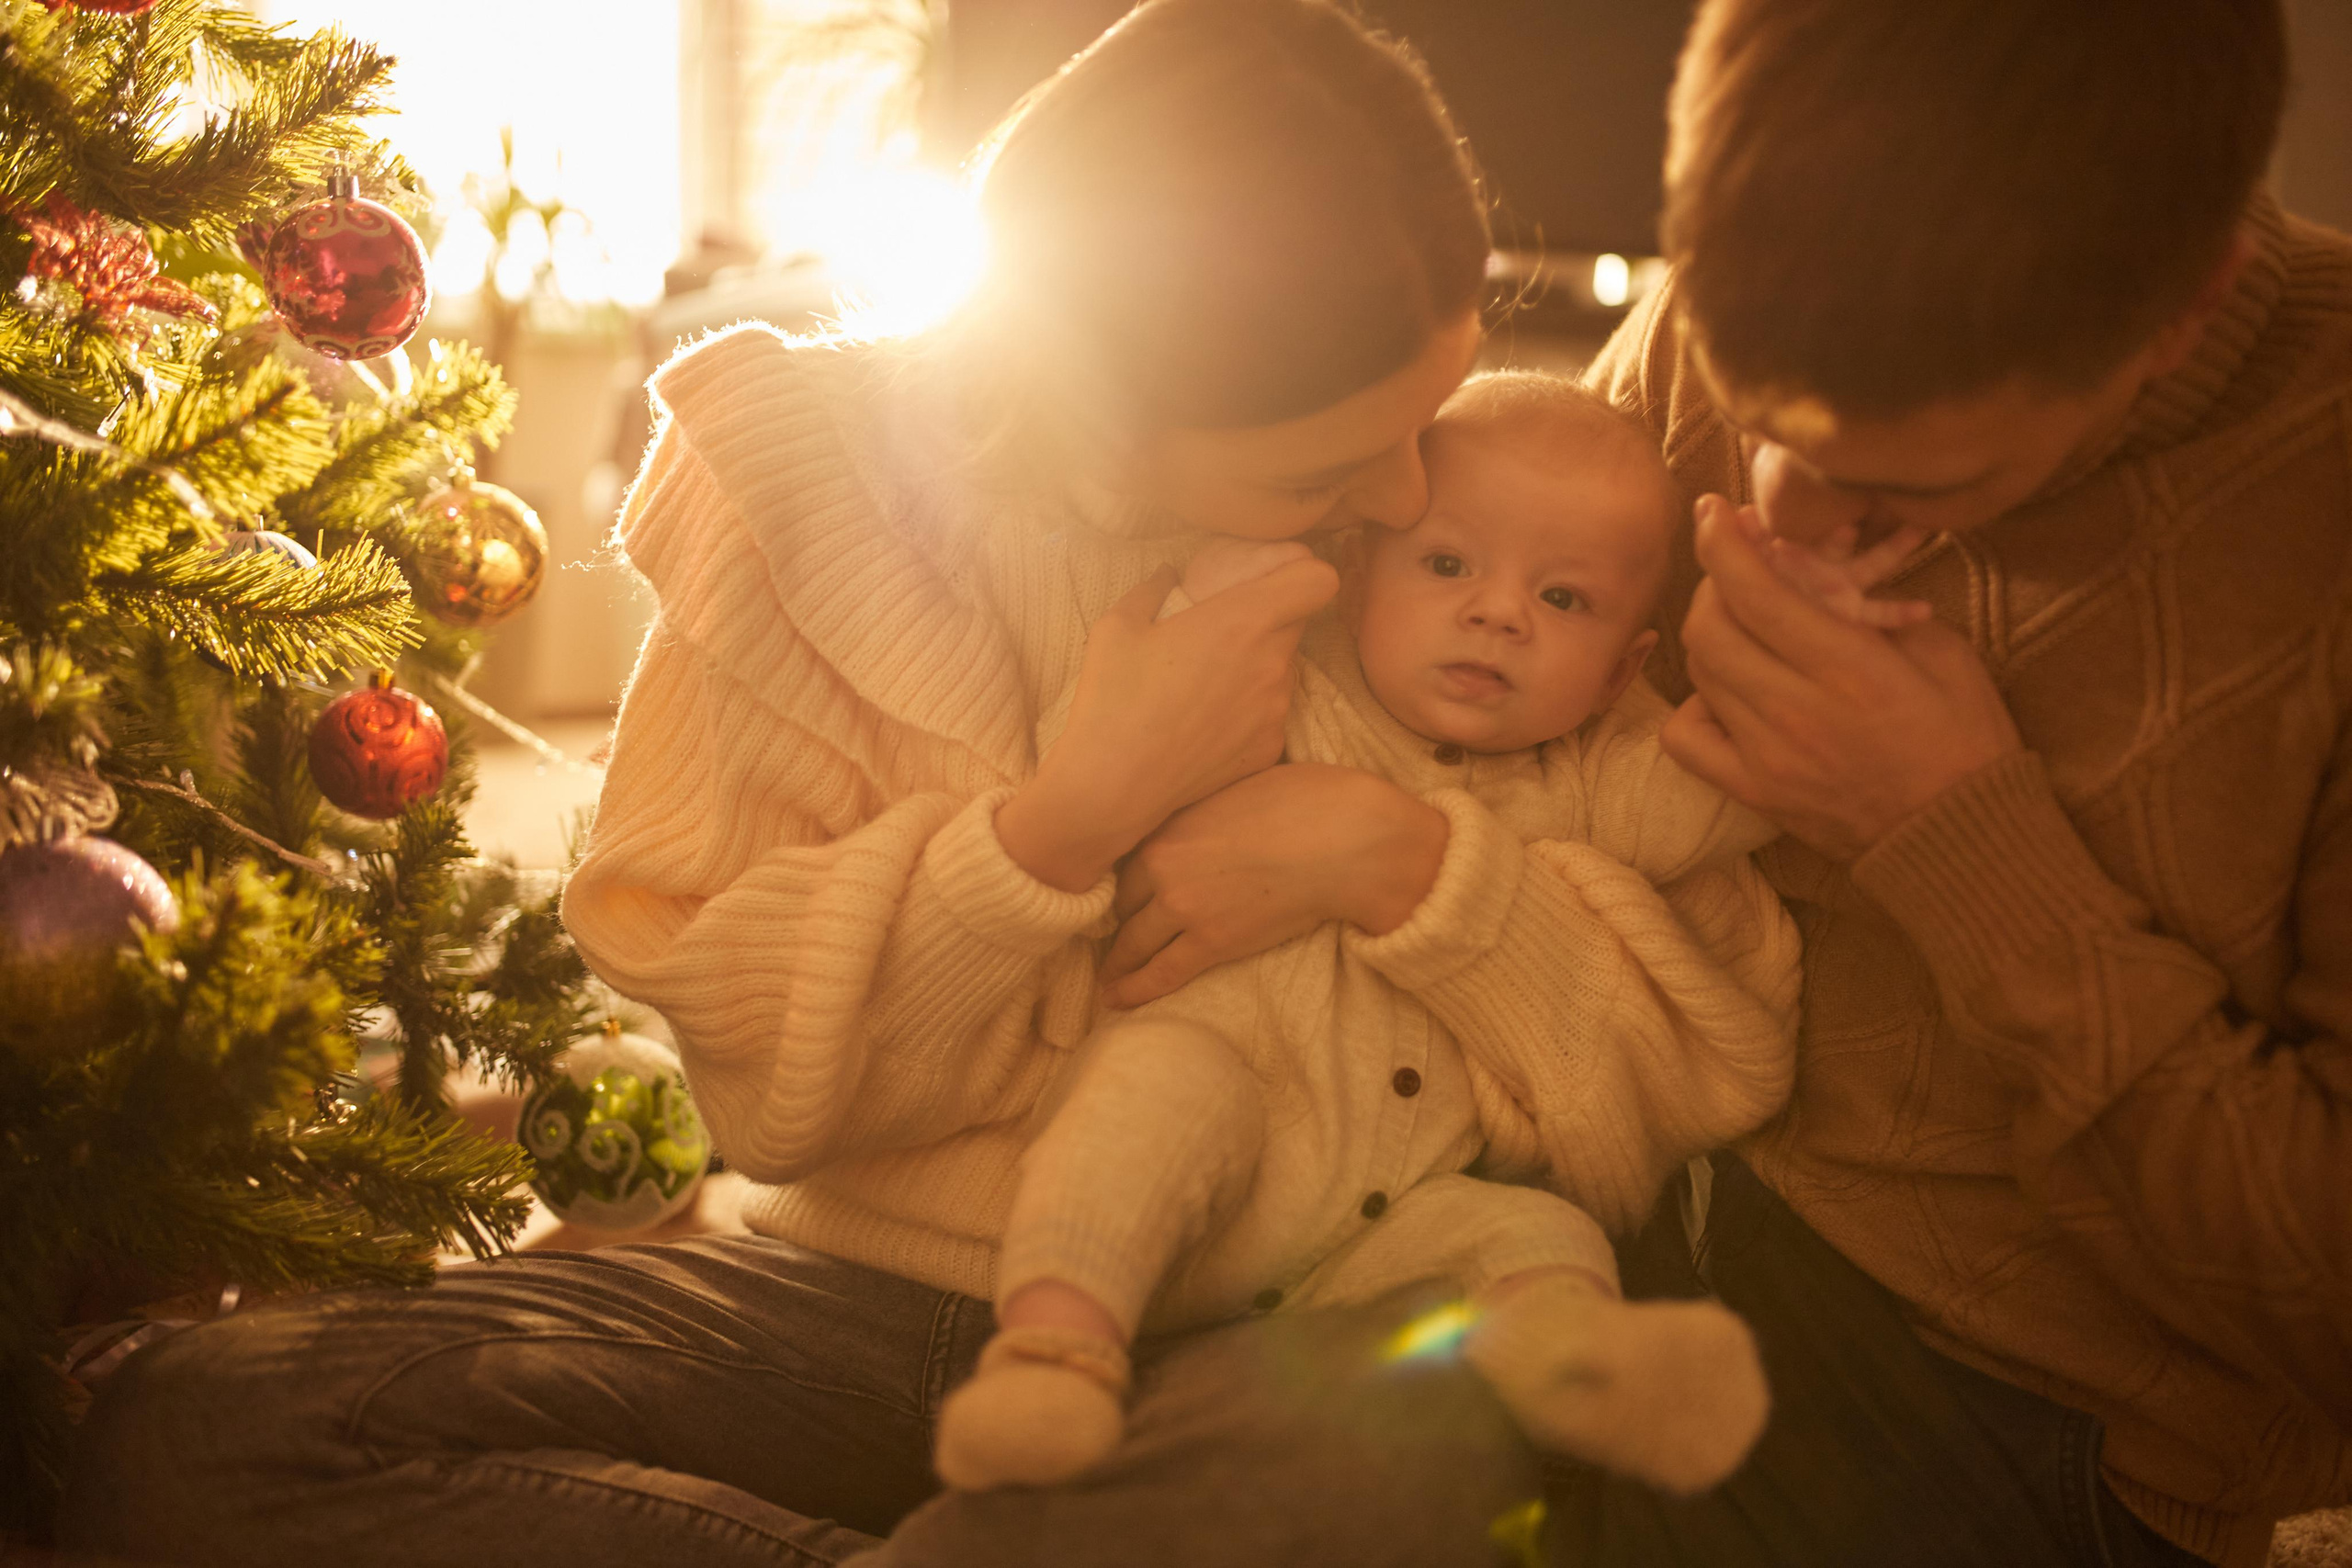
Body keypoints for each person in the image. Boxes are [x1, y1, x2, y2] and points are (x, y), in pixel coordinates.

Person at [59, 4, 1570, 1564]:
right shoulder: (805, 499)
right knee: (195, 1428)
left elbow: (1632, 1036)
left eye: (1432, 414)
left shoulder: (1464, 544)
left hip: (1264, 1305)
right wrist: (1062, 827)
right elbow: (771, 1096)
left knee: (1456, 1435)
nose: (1408, 495)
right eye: (1321, 472)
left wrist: (1391, 855)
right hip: (856, 1300)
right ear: (1100, 401)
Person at [1555, 0, 2352, 1564]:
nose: (1780, 511)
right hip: (1603, 1131)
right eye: (1752, 407)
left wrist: (1945, 834)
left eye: (1910, 484)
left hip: (2010, 1377)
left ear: (2180, 314)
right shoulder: (1776, 269)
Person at [939, 372, 1938, 1498]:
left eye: (1562, 598)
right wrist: (1217, 589)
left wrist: (1802, 624)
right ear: (1358, 569)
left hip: (1388, 1228)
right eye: (1449, 565)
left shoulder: (1596, 772)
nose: (1499, 613)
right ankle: (1054, 1354)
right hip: (1202, 1152)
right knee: (1150, 1091)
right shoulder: (1285, 687)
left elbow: (1734, 783)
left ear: (1620, 670)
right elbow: (1139, 704)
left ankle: (1582, 1377)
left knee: (1538, 1238)